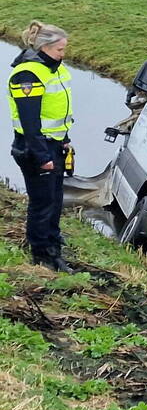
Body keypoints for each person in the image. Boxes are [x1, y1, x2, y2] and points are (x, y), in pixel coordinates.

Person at [8, 20, 75, 271]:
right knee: (43, 202)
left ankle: (52, 241)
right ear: (44, 47)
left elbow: (58, 108)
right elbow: (29, 121)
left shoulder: (54, 68)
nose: (63, 54)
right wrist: (41, 155)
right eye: (60, 49)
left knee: (55, 199)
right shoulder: (28, 75)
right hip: (35, 147)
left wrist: (64, 139)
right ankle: (43, 255)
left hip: (54, 144)